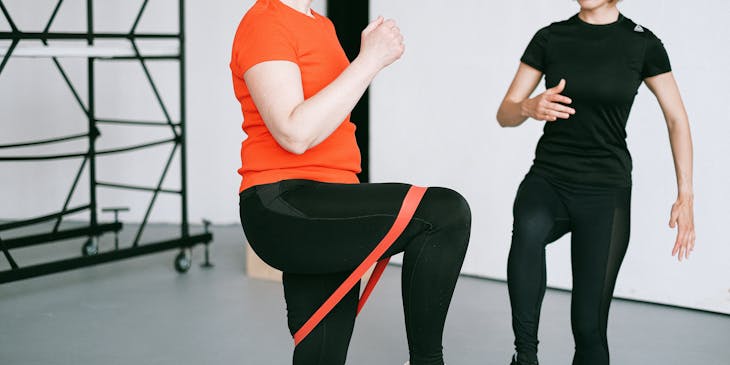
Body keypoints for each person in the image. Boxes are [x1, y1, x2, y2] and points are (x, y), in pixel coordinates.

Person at [231, 1, 471, 364]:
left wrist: (369, 61)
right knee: (444, 213)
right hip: (284, 201)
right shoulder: (265, 22)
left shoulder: (321, 26)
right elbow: (293, 133)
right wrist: (370, 60)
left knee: (322, 347)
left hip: (331, 200)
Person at [495, 1, 695, 364]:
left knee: (588, 329)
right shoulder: (550, 38)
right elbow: (505, 112)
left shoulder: (643, 44)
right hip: (550, 178)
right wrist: (528, 107)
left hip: (606, 189)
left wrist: (686, 196)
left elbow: (677, 119)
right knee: (528, 227)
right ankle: (525, 356)